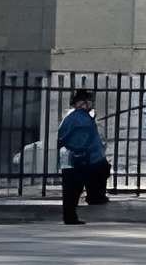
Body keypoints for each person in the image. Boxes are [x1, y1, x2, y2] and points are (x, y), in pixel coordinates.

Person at [56, 89, 109, 227]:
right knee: (75, 188)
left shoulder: (73, 116)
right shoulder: (80, 118)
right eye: (89, 101)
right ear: (83, 103)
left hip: (71, 159)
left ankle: (71, 216)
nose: (91, 104)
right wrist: (83, 152)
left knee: (71, 190)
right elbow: (83, 139)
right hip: (80, 158)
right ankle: (93, 198)